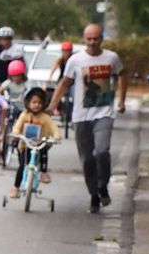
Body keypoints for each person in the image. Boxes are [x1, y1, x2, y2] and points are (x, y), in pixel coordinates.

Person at [50, 23, 129, 212]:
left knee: (101, 151)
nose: (92, 43)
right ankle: (94, 194)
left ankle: (103, 186)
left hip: (104, 113)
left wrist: (122, 100)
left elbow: (122, 74)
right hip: (81, 116)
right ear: (84, 40)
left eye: (96, 38)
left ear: (102, 39)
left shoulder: (111, 57)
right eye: (89, 39)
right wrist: (52, 105)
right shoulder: (76, 60)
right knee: (87, 159)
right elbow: (65, 83)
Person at [9, 88, 60, 196]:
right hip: (25, 145)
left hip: (39, 144)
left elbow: (53, 127)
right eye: (34, 102)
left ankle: (44, 172)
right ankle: (15, 187)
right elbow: (17, 127)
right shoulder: (24, 115)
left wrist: (56, 137)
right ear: (28, 103)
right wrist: (16, 134)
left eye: (40, 102)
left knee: (44, 152)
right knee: (22, 166)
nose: (37, 105)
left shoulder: (45, 117)